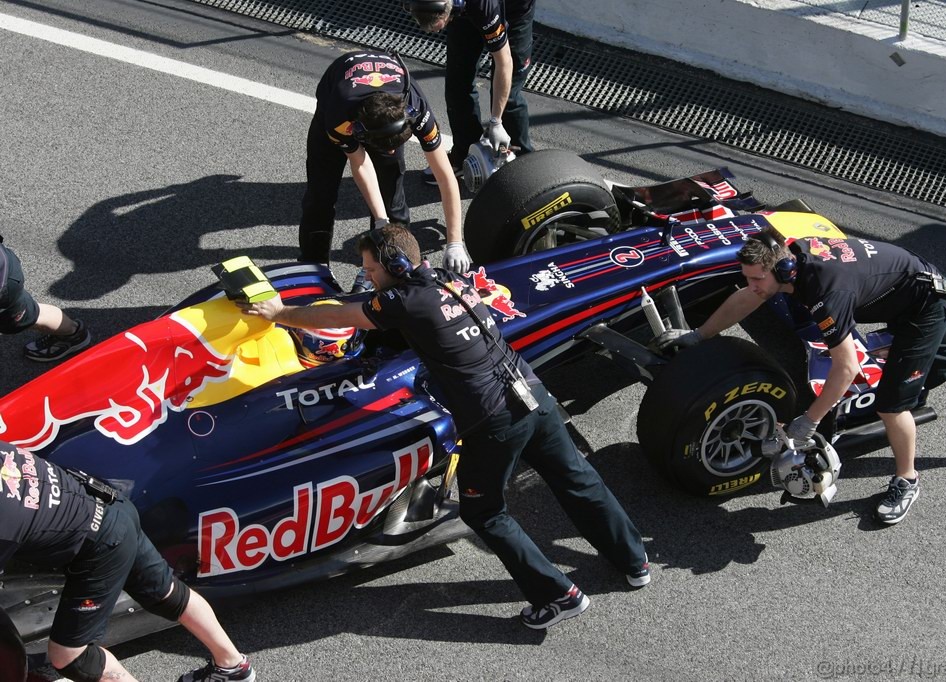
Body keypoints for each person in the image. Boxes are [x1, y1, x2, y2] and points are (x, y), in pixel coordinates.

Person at [241, 223, 649, 628]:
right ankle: (634, 559)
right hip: (534, 393)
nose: (367, 276)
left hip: (494, 421)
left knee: (484, 511)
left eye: (371, 269)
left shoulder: (404, 301)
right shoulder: (449, 279)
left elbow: (343, 317)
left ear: (397, 265)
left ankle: (557, 595)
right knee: (576, 477)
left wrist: (281, 314)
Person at [656, 228, 946, 525]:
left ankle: (906, 481)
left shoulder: (825, 293)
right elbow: (747, 298)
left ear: (783, 271)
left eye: (755, 278)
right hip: (916, 287)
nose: (751, 284)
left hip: (923, 306)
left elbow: (846, 366)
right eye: (747, 277)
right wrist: (698, 336)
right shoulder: (790, 260)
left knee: (892, 406)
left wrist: (809, 420)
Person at [0, 440, 255, 682]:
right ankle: (233, 667)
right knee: (167, 593)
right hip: (114, 508)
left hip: (99, 545)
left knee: (70, 656)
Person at [300, 49, 471, 272]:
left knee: (393, 203)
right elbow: (359, 162)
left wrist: (455, 241)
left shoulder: (417, 108)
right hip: (342, 103)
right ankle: (313, 267)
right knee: (320, 197)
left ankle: (393, 268)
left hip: (381, 113)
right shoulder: (339, 115)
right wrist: (380, 222)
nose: (391, 152)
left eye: (395, 147)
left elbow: (445, 176)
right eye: (387, 148)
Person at [404, 0, 535, 182]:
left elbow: (504, 61)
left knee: (509, 96)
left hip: (513, 9)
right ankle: (463, 155)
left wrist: (496, 121)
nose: (434, 33)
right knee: (458, 84)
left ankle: (525, 167)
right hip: (463, 12)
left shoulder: (484, 6)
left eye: (438, 27)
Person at [1, 235, 91, 362]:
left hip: (5, 287)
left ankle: (73, 334)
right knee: (31, 311)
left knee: (29, 315)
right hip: (6, 267)